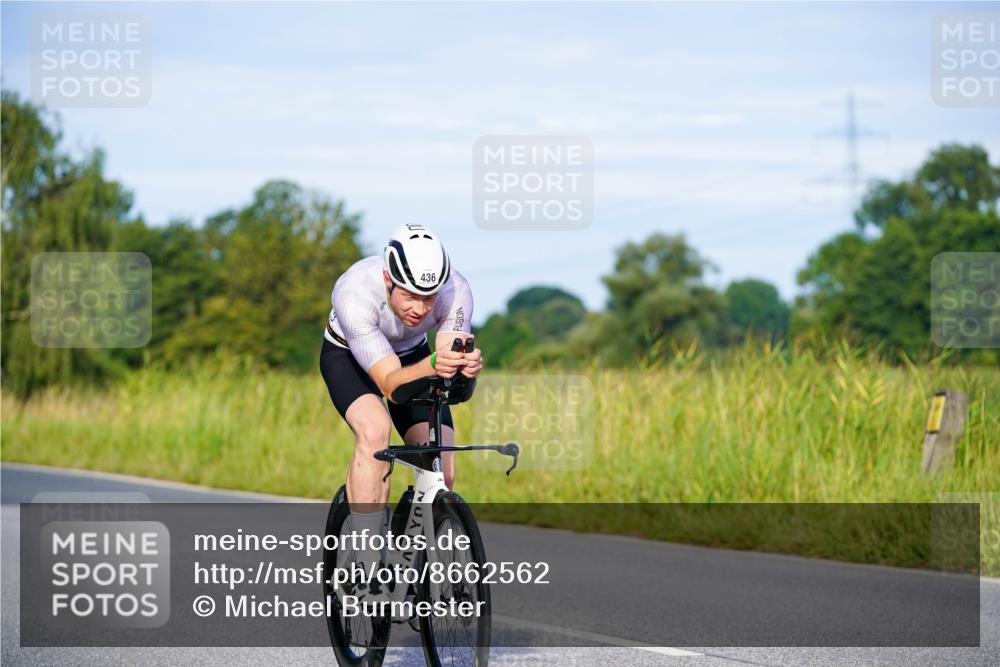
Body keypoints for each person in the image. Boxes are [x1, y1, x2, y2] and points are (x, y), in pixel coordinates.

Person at [319, 223, 482, 568]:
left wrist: (464, 369)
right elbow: (391, 385)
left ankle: (412, 547)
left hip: (412, 355)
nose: (420, 309)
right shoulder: (354, 293)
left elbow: (449, 363)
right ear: (388, 280)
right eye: (409, 295)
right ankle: (366, 563)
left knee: (441, 462)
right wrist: (435, 364)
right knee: (375, 432)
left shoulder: (455, 290)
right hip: (348, 356)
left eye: (429, 298)